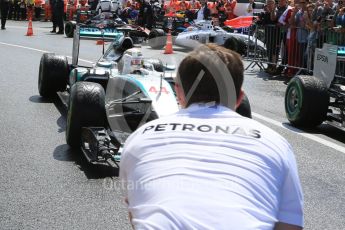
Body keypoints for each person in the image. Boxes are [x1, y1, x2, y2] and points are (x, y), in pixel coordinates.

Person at [120, 44, 304, 229]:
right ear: (240, 98)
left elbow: (137, 214)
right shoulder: (276, 143)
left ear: (178, 92)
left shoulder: (138, 138)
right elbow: (291, 224)